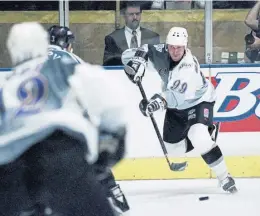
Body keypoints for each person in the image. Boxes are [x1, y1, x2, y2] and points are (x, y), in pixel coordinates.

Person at [0, 22, 128, 216]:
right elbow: (108, 97)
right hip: (59, 154)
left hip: (11, 167)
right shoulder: (65, 62)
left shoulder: (8, 84)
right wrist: (111, 142)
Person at [121, 26, 237, 193]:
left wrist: (153, 104)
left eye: (179, 47)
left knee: (199, 137)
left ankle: (225, 178)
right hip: (176, 108)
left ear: (186, 46)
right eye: (172, 47)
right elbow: (143, 50)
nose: (175, 51)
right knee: (176, 158)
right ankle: (202, 133)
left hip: (198, 102)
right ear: (167, 45)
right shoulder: (163, 51)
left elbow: (173, 97)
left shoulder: (187, 68)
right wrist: (138, 62)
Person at [47, 24, 130, 214]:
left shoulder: (31, 62)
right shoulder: (71, 59)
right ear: (66, 44)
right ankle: (112, 192)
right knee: (89, 155)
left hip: (32, 130)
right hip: (66, 125)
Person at [103, 1, 160, 66]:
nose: (135, 17)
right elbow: (107, 65)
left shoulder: (153, 37)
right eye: (131, 14)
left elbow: (158, 65)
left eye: (137, 14)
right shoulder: (112, 38)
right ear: (124, 15)